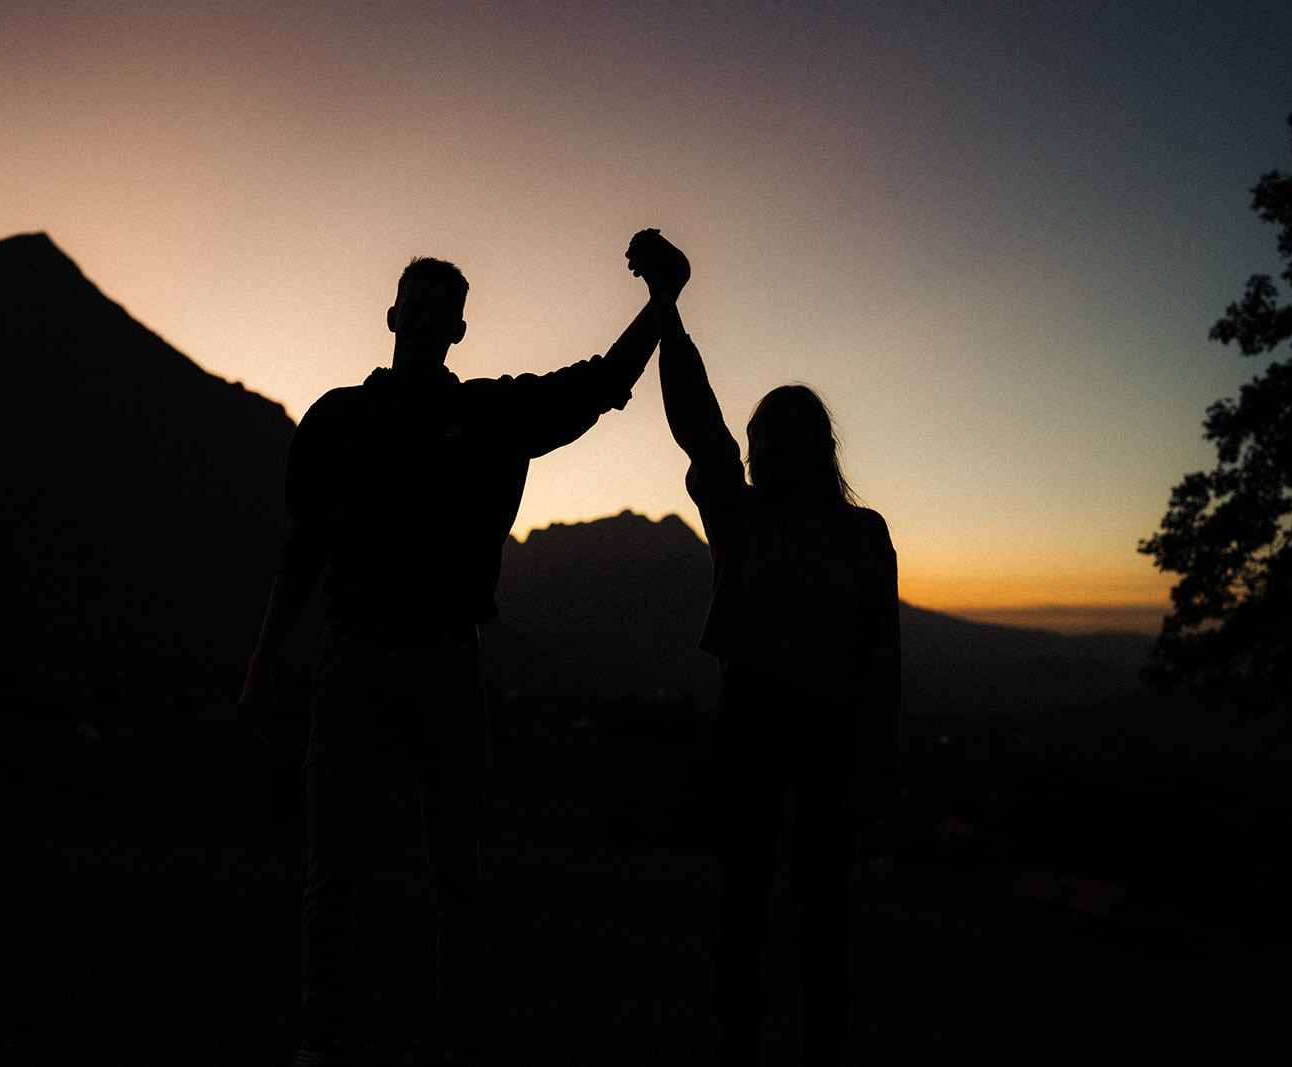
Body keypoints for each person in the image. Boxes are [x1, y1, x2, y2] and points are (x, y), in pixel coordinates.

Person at [239, 237, 689, 1067]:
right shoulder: (338, 419)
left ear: (457, 330)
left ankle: (454, 1041)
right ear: (394, 317)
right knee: (332, 867)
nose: (425, 321)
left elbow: (597, 385)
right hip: (358, 652)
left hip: (445, 660)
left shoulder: (488, 415)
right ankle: (322, 1038)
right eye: (417, 306)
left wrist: (663, 304)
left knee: (455, 874)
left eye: (440, 312)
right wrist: (264, 656)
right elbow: (302, 549)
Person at [627, 229, 900, 1067]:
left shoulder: (863, 534)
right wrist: (666, 304)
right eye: (768, 436)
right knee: (742, 907)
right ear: (754, 450)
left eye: (797, 435)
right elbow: (695, 416)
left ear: (824, 448)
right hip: (750, 721)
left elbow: (881, 661)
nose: (779, 446)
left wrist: (868, 762)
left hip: (830, 730)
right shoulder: (738, 517)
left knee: (824, 915)